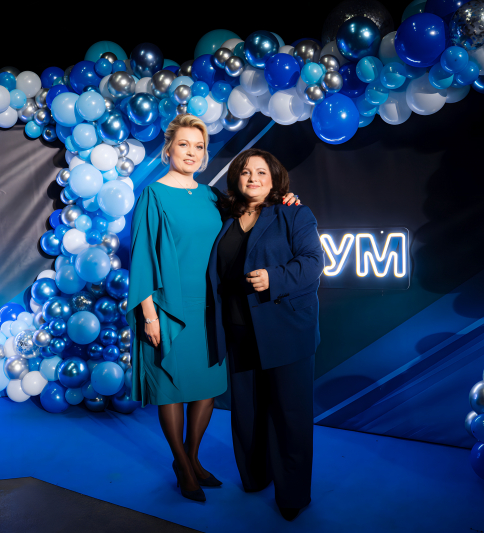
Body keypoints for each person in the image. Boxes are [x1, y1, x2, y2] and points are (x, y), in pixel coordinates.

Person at [126, 116, 300, 503]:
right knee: (172, 390)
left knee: (205, 390)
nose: (192, 152)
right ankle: (183, 465)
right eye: (184, 144)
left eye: (199, 146)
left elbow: (251, 216)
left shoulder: (212, 197)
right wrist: (149, 315)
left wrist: (285, 200)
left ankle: (191, 458)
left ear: (205, 155)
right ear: (168, 149)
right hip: (168, 309)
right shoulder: (153, 195)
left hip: (210, 309)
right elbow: (141, 258)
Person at [207, 148, 324, 520]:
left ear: (274, 179)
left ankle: (292, 496)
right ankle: (255, 477)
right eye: (245, 171)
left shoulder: (294, 213)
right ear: (236, 178)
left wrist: (275, 278)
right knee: (247, 413)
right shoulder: (223, 215)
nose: (252, 178)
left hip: (286, 330)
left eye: (261, 172)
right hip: (238, 330)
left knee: (290, 416)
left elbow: (313, 263)